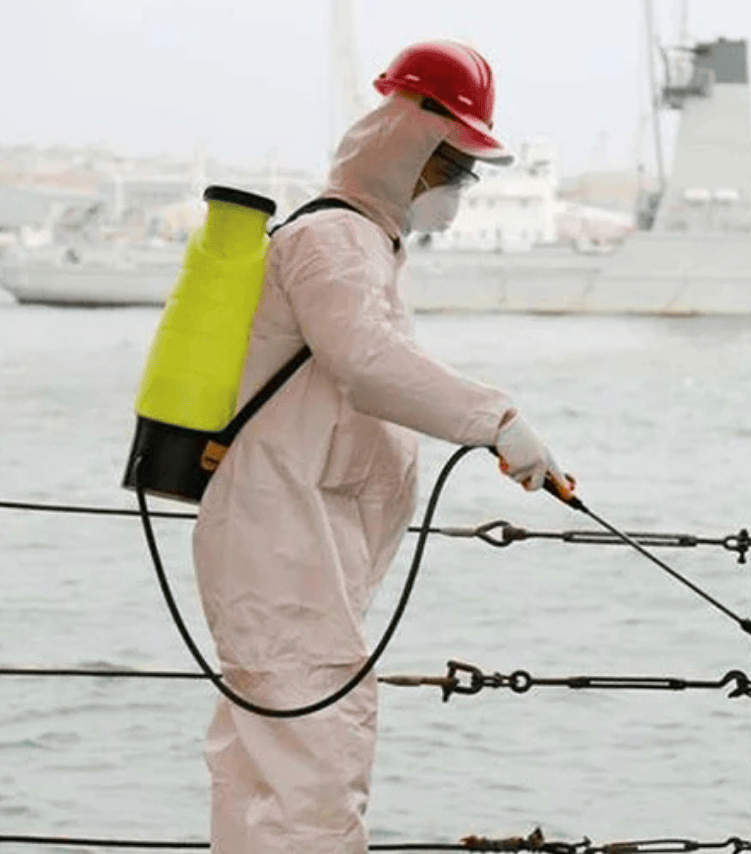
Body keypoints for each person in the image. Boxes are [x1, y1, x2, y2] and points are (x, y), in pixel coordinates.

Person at [191, 40, 570, 853]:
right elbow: (366, 361)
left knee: (267, 760)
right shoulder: (334, 240)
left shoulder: (362, 243)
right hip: (284, 537)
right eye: (453, 166)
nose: (458, 188)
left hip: (295, 534)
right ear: (408, 145)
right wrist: (497, 420)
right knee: (315, 754)